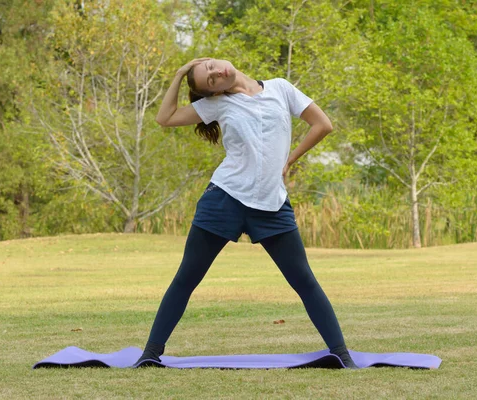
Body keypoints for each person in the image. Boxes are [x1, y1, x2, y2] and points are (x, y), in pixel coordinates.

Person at [135, 58, 357, 369]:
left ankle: (342, 355)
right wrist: (179, 74)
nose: (216, 74)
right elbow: (165, 118)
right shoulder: (218, 105)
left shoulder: (281, 89)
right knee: (187, 278)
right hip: (224, 199)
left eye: (212, 67)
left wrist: (290, 160)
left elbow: (323, 124)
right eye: (210, 80)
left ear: (221, 61)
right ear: (213, 92)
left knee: (305, 281)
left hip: (271, 203)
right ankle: (150, 354)